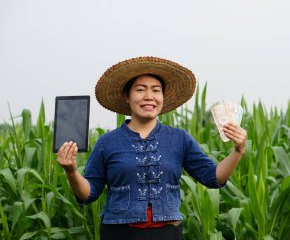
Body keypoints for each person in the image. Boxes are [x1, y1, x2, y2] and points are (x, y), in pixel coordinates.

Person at [57, 56, 247, 240]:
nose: (149, 96)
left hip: (167, 232)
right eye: (140, 90)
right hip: (119, 233)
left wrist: (238, 151)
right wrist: (71, 170)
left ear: (163, 97)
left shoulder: (179, 139)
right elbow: (88, 194)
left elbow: (213, 177)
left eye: (156, 90)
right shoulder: (107, 142)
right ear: (126, 96)